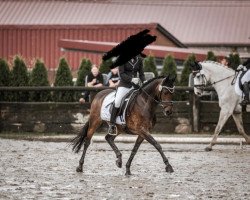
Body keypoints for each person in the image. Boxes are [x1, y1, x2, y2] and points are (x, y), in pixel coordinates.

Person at [108, 54, 145, 135]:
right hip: (124, 85)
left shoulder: (139, 59)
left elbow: (141, 73)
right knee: (117, 101)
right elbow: (121, 74)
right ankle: (112, 124)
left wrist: (144, 82)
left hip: (135, 85)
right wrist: (131, 79)